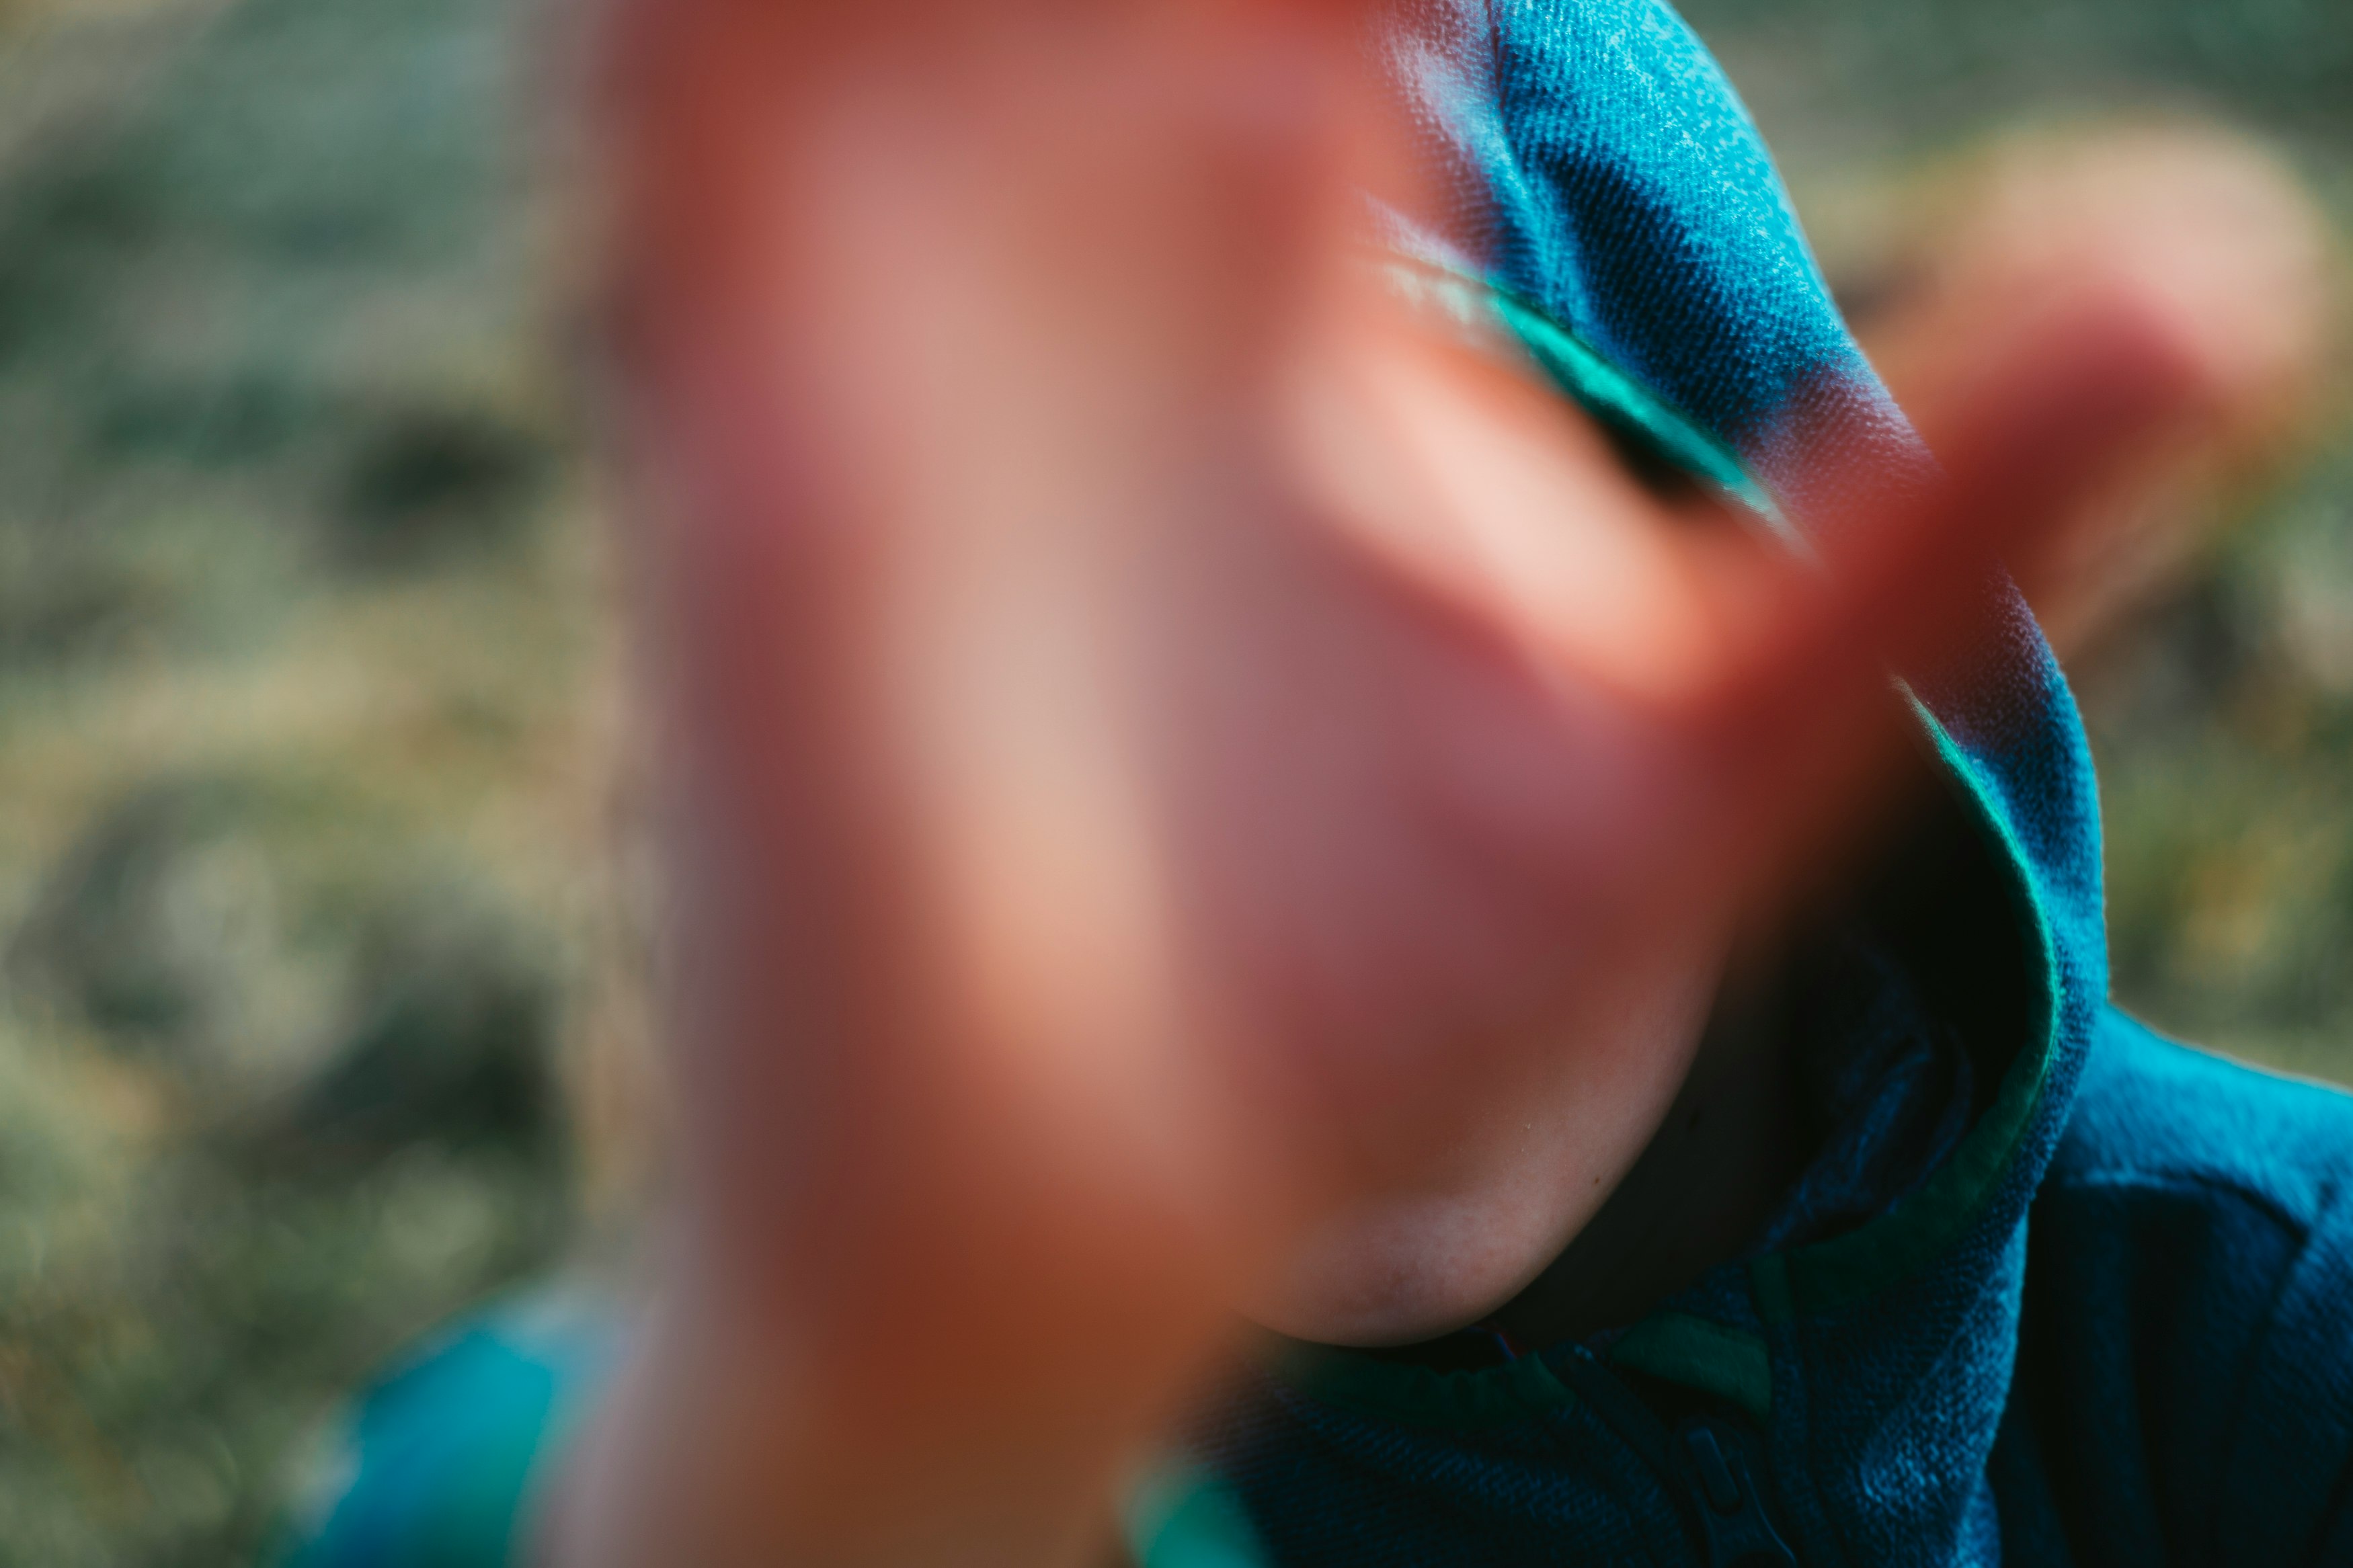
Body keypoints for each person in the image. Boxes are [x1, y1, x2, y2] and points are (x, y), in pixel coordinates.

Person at [282, 0, 2345, 1564]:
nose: (1231, 888)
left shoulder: (2254, 1322)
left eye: (1330, 659)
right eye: (1073, 718)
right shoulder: (963, 1475)